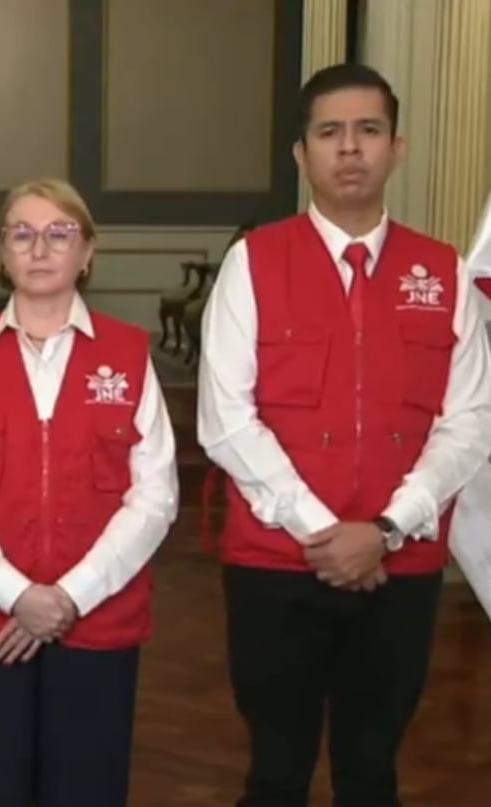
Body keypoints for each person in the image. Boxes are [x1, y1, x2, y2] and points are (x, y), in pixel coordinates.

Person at [197, 63, 491, 805]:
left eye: (368, 130)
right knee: (275, 771)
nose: (350, 148)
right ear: (302, 154)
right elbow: (226, 419)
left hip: (402, 567)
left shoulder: (444, 272)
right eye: (330, 132)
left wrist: (386, 529)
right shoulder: (253, 262)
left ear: (398, 146)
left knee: (371, 771)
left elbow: (470, 419)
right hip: (276, 565)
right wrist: (325, 531)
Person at [0, 178, 178, 806]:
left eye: (60, 233)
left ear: (87, 252)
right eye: (22, 234)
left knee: (85, 788)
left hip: (98, 621)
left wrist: (68, 598)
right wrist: (16, 594)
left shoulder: (129, 352)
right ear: (2, 253)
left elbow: (156, 494)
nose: (40, 249)